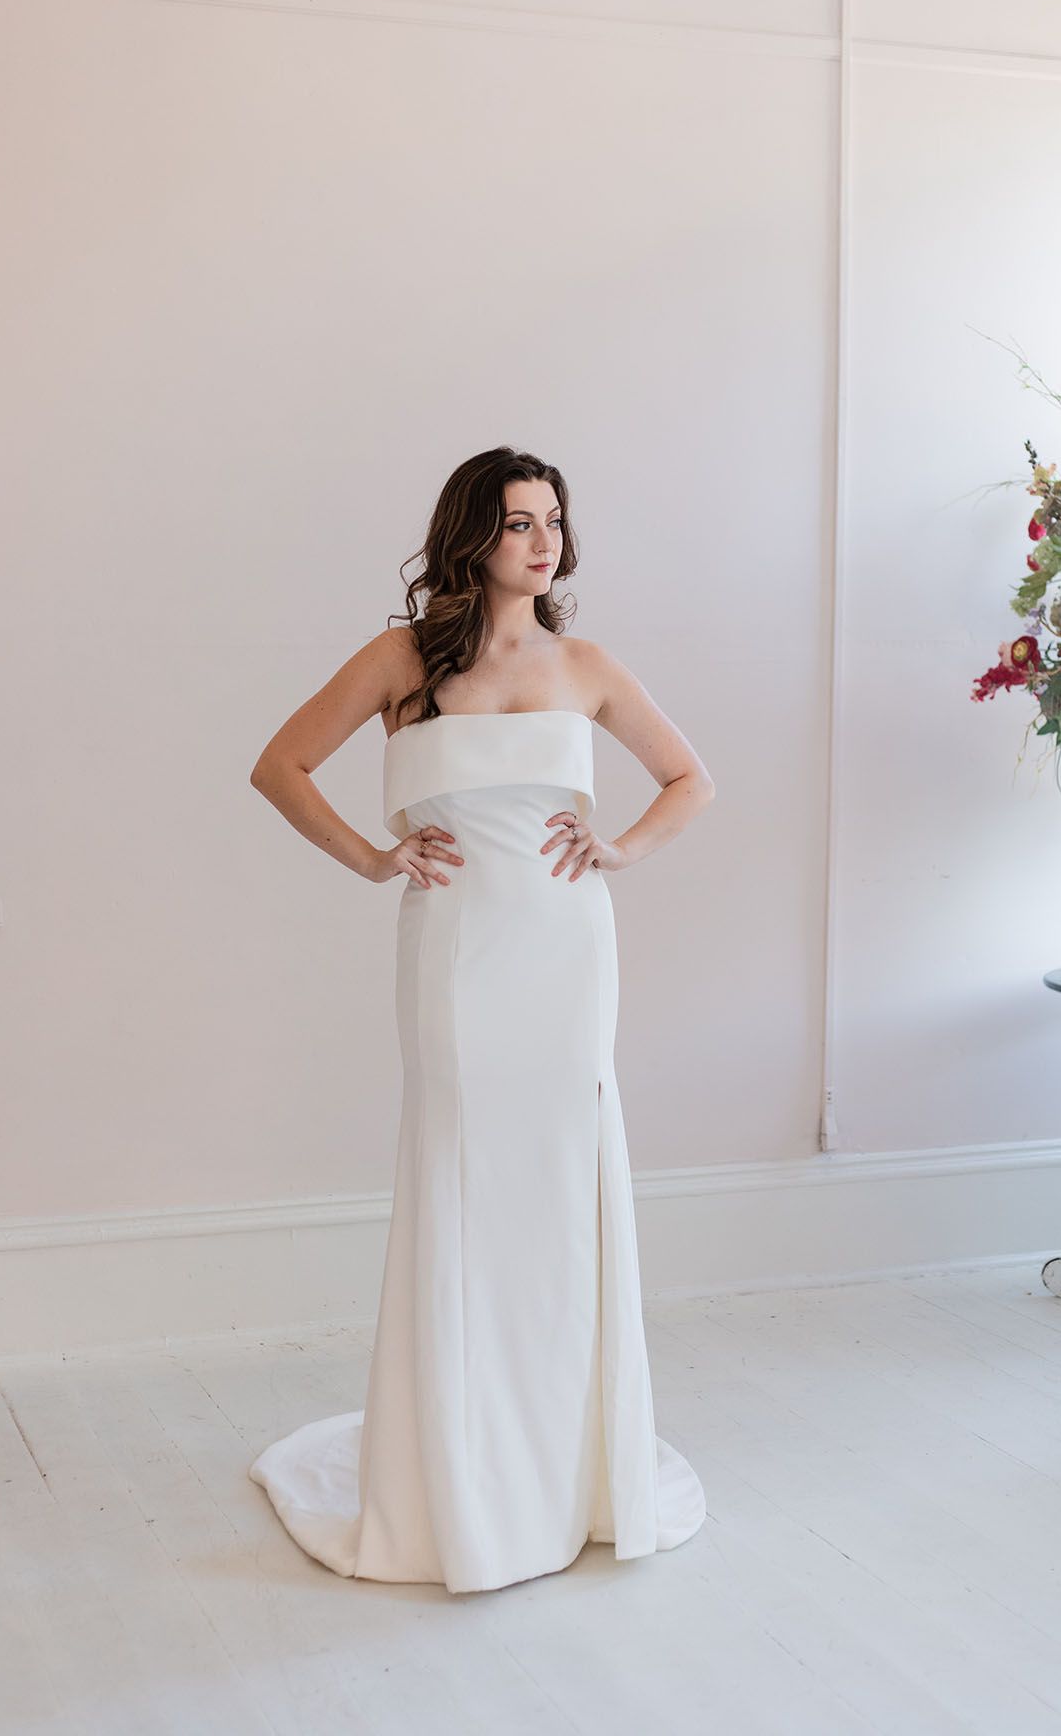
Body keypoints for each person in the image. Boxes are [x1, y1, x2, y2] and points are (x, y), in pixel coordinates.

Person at [247, 446, 715, 1593]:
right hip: (457, 952)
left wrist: (617, 848)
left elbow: (688, 779)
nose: (541, 540)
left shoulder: (587, 663)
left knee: (562, 1185)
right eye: (517, 522)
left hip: (567, 950)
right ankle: (457, 1477)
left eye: (552, 520)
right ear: (472, 536)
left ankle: (568, 1470)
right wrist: (372, 858)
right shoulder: (402, 660)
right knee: (463, 1181)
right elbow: (281, 764)